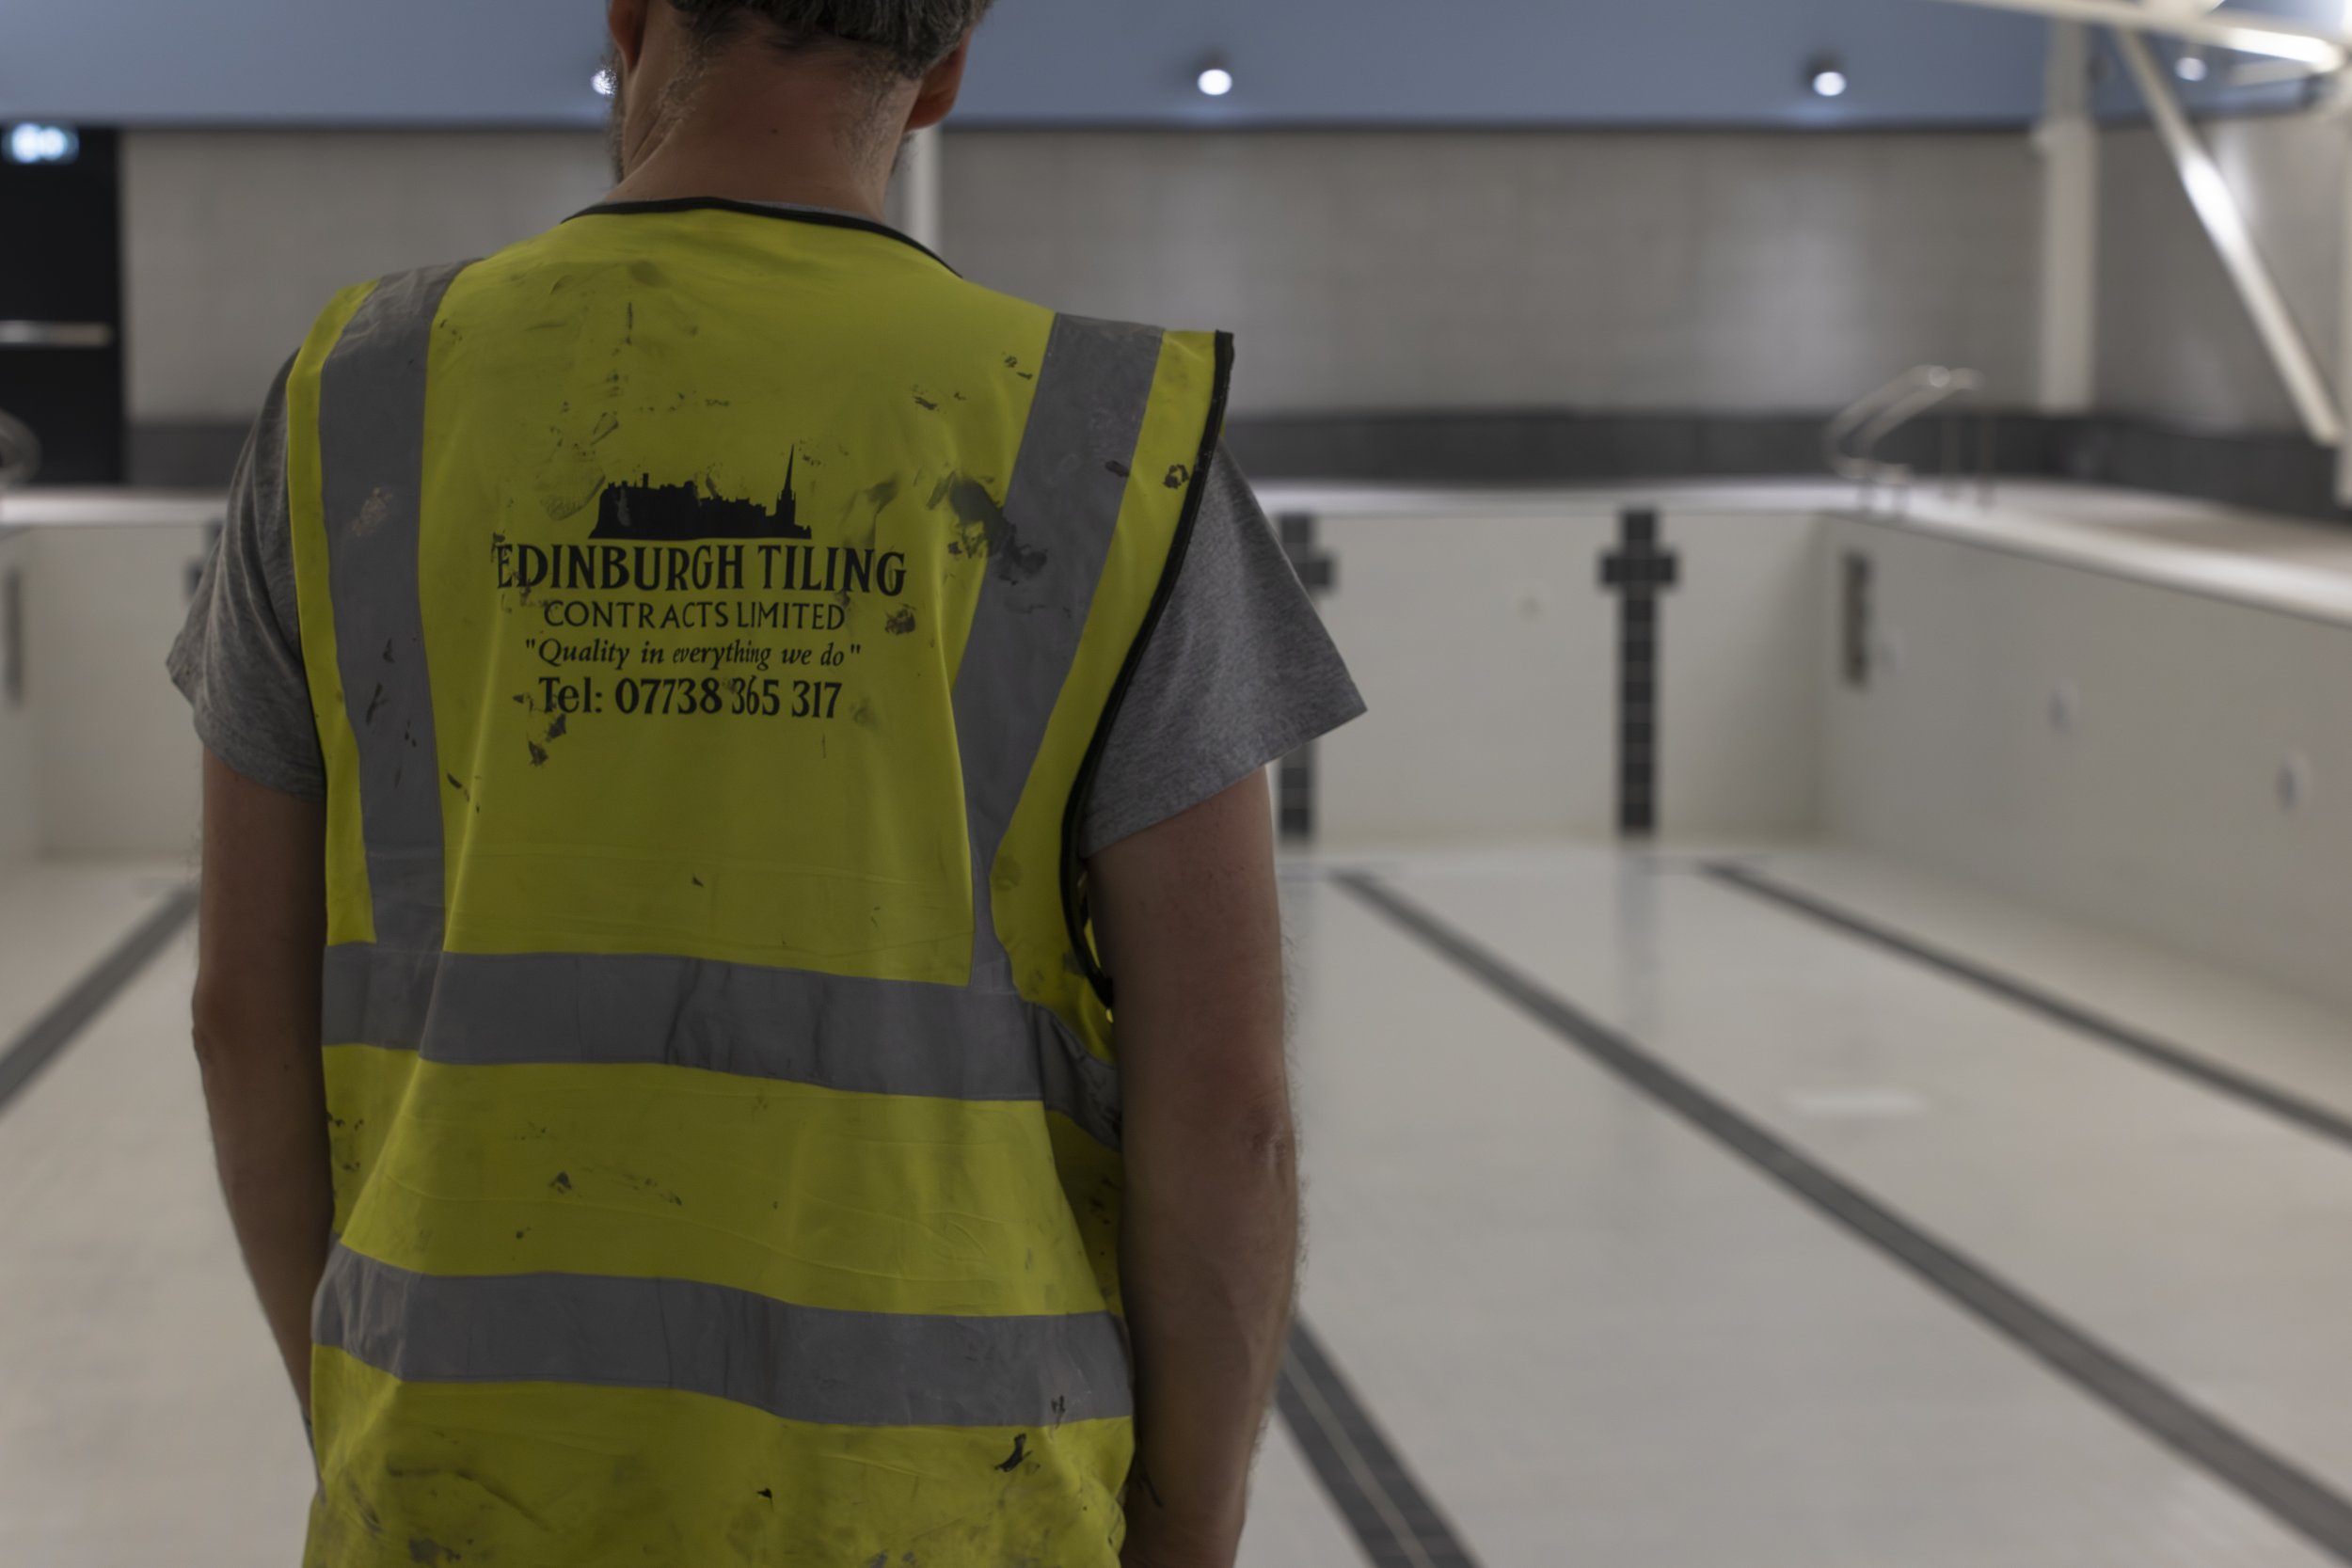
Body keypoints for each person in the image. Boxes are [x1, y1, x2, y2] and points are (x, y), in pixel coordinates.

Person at [167, 1, 1363, 1564]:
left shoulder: (356, 396)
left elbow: (237, 1018)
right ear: (941, 74)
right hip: (954, 1508)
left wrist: (371, 1411)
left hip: (460, 1483)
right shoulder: (1106, 434)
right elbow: (1228, 1101)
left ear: (632, 19)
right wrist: (1190, 1529)